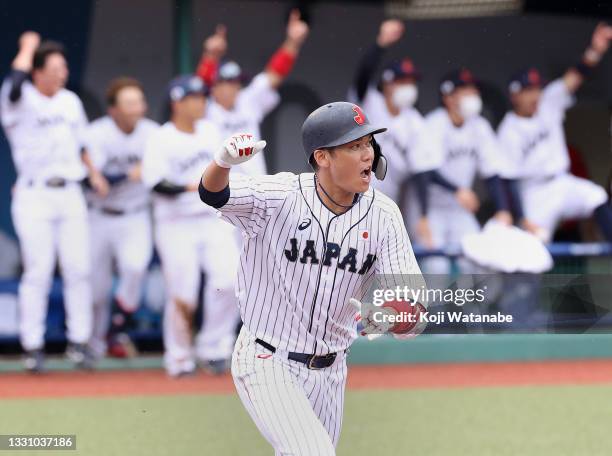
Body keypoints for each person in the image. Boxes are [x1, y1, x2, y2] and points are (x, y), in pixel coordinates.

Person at [198, 101, 427, 454]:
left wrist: (390, 316)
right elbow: (213, 194)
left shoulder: (384, 216)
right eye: (354, 146)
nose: (367, 154)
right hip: (266, 357)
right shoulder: (279, 196)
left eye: (368, 143)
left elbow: (415, 310)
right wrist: (223, 164)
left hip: (332, 370)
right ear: (323, 157)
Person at [0, 31, 103, 372]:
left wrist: (94, 173)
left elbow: (82, 143)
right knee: (39, 271)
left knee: (78, 268)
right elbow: (15, 81)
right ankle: (33, 345)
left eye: (64, 66)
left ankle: (79, 342)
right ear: (38, 71)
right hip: (34, 193)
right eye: (56, 67)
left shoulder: (70, 101)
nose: (63, 72)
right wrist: (27, 47)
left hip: (70, 192)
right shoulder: (20, 96)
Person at [141, 75, 240, 377]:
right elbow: (157, 183)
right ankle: (180, 356)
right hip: (176, 222)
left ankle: (214, 348)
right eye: (193, 97)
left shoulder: (212, 130)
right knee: (183, 292)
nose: (200, 102)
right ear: (177, 102)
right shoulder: (162, 137)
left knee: (230, 280)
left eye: (202, 97)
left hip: (213, 219)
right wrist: (197, 186)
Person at [497, 23, 612, 242]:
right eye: (528, 90)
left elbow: (575, 77)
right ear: (515, 96)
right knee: (532, 247)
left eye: (536, 89)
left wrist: (595, 50)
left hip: (562, 182)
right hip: (533, 193)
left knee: (596, 197)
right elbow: (508, 180)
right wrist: (521, 217)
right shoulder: (508, 129)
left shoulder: (548, 102)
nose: (535, 95)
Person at [83, 77, 159, 359]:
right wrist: (130, 174)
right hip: (99, 215)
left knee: (135, 267)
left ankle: (117, 327)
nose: (137, 108)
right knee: (96, 289)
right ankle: (93, 345)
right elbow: (97, 182)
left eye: (139, 102)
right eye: (129, 103)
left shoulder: (152, 133)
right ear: (113, 110)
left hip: (134, 215)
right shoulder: (98, 133)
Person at [349, 18, 439, 246]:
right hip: (358, 185)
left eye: (411, 81)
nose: (408, 86)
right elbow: (362, 76)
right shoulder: (371, 102)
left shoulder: (415, 122)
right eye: (402, 81)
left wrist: (424, 216)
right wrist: (380, 45)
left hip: (392, 193)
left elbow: (421, 170)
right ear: (388, 84)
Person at [418, 68, 512, 272]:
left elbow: (493, 171)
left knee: (479, 264)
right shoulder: (434, 124)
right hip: (432, 208)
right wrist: (456, 190)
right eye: (466, 91)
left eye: (474, 91)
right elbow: (425, 172)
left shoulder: (480, 126)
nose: (473, 96)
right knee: (436, 269)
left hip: (460, 210)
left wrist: (503, 209)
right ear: (449, 98)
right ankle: (434, 306)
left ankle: (473, 305)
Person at [196, 9, 309, 175]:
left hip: (254, 185)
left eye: (236, 82)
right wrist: (210, 56)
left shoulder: (247, 100)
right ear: (214, 87)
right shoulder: (204, 108)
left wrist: (292, 43)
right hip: (219, 188)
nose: (233, 87)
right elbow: (196, 87)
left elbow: (274, 74)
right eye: (227, 82)